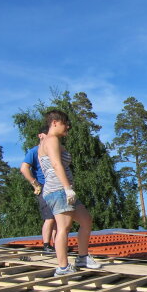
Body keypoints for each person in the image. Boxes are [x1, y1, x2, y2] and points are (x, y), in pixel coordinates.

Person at [39, 109, 101, 276]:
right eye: (65, 123)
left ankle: (82, 257)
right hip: (58, 190)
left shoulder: (51, 140)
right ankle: (63, 267)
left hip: (62, 190)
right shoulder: (51, 140)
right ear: (54, 123)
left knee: (86, 220)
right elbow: (56, 164)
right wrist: (67, 188)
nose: (68, 127)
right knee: (64, 227)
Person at [19, 126, 56, 253]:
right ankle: (46, 244)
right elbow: (24, 168)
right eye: (46, 135)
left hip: (55, 185)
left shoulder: (52, 150)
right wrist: (35, 184)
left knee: (58, 217)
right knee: (49, 216)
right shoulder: (34, 151)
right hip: (44, 186)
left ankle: (57, 244)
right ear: (40, 135)